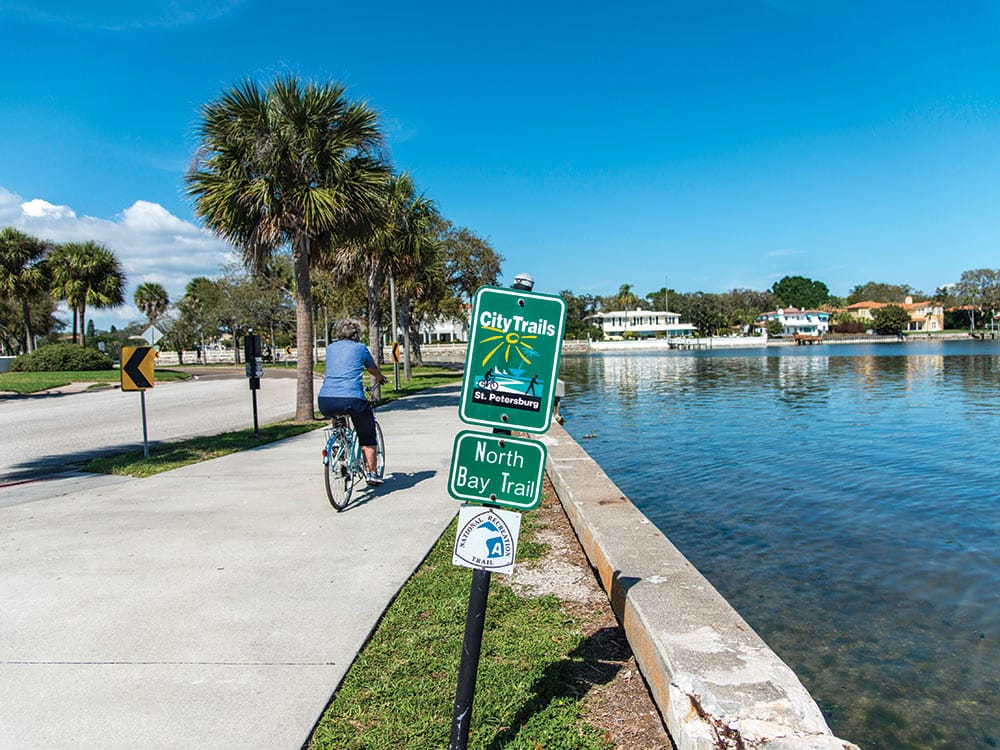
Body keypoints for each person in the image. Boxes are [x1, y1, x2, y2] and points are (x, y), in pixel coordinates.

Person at [317, 319, 388, 486]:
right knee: (368, 435)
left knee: (338, 414)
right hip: (352, 398)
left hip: (326, 399)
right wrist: (380, 378)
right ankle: (372, 473)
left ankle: (340, 445)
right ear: (357, 335)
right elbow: (372, 369)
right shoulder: (360, 348)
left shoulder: (330, 349)